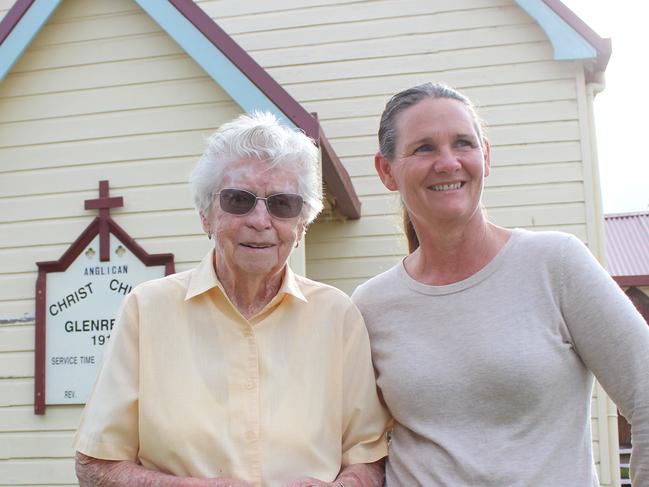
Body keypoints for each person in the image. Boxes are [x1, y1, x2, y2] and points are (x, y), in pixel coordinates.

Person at [351, 82, 649, 486]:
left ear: (485, 156)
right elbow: (360, 445)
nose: (448, 162)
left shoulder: (556, 263)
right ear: (386, 171)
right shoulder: (371, 305)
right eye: (424, 148)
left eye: (463, 143)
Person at [73, 112, 390, 487]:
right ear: (206, 216)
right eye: (238, 200)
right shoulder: (147, 309)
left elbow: (369, 461)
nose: (260, 220)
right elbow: (95, 465)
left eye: (282, 204)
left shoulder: (338, 316)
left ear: (301, 224)